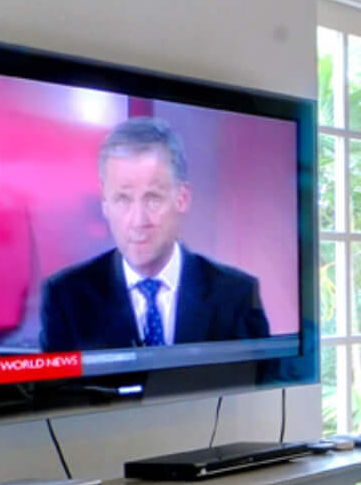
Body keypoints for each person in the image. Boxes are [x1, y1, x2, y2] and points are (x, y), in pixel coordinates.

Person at [38, 117, 271, 352]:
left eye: (153, 198)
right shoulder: (66, 297)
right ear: (105, 204)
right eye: (123, 199)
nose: (138, 221)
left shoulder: (236, 294)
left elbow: (262, 374)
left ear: (182, 199)